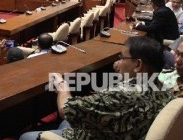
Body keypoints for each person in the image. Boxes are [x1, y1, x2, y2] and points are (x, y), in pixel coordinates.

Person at [20, 36, 173, 140]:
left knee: (26, 137)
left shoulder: (120, 96)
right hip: (123, 129)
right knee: (66, 124)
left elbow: (65, 109)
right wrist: (124, 75)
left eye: (123, 57)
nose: (119, 61)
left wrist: (62, 86)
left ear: (138, 65)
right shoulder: (161, 86)